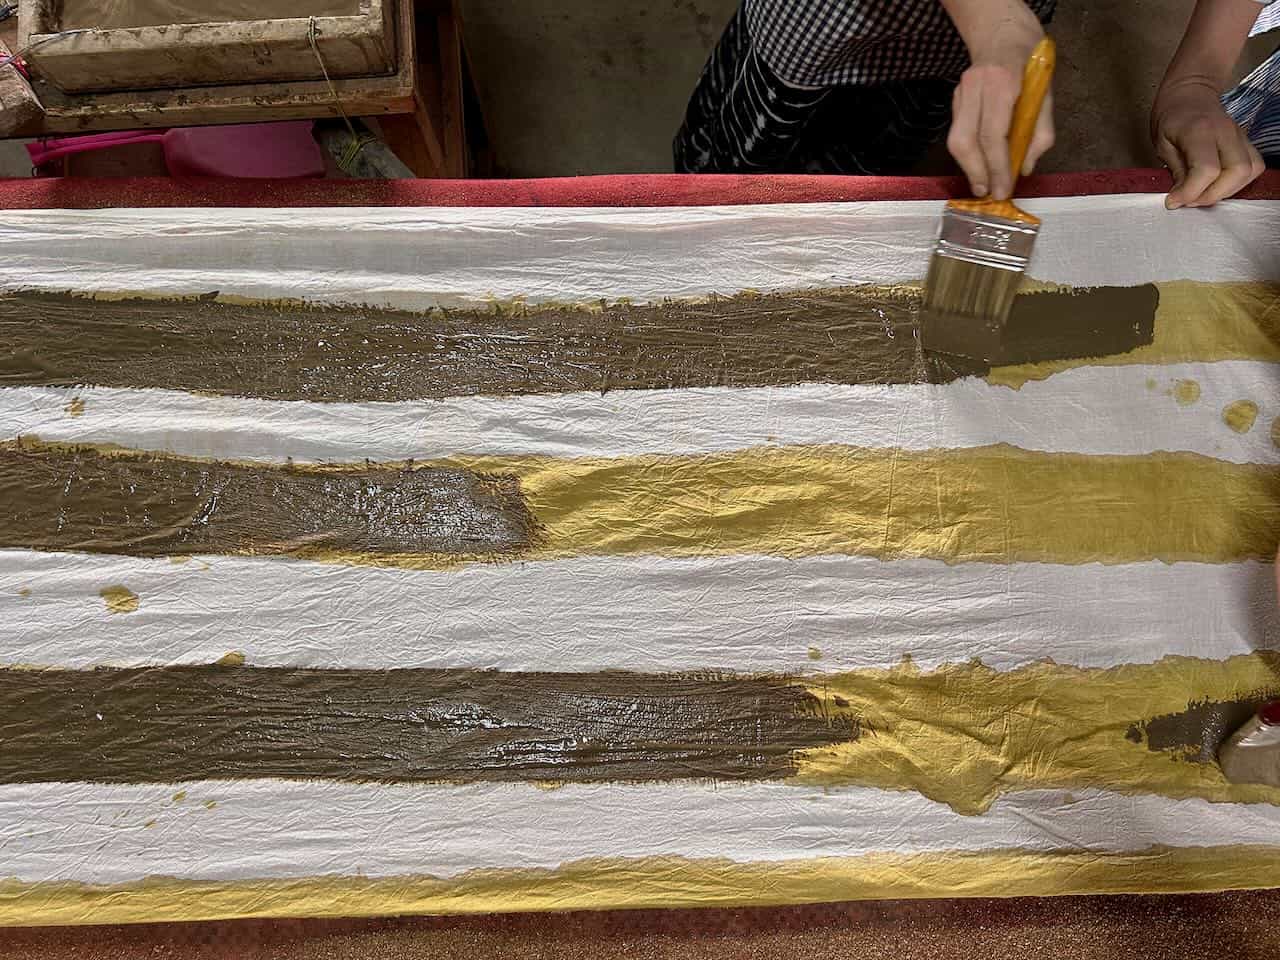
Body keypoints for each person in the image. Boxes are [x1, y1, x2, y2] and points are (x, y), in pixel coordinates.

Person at [675, 0, 1274, 208]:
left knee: (900, 132)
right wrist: (995, 26)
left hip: (988, 35)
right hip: (831, 19)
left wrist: (1195, 80)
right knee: (743, 161)